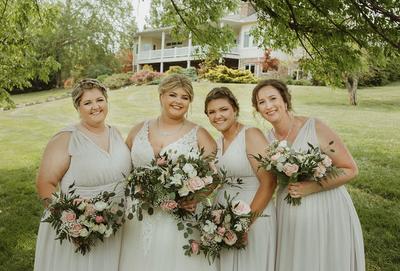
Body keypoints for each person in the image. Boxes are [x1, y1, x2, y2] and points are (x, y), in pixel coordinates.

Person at [252, 79, 365, 271]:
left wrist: (312, 187)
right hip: (289, 213)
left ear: (285, 101)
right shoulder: (268, 140)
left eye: (273, 98)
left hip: (327, 208)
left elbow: (350, 169)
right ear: (257, 108)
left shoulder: (314, 127)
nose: (268, 106)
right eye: (261, 102)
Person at [119, 74, 217, 271]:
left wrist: (196, 197)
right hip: (139, 214)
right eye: (173, 95)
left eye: (185, 97)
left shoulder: (199, 134)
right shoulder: (138, 130)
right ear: (161, 95)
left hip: (179, 217)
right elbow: (121, 170)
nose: (178, 101)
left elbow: (215, 176)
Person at [34, 79, 132, 270]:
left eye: (100, 100)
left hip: (116, 224)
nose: (96, 107)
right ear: (78, 107)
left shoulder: (116, 133)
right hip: (80, 227)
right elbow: (44, 185)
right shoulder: (66, 138)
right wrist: (71, 221)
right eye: (87, 103)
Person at [204, 87, 276, 271]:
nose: (217, 116)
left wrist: (243, 224)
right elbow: (214, 181)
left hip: (253, 212)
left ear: (235, 110)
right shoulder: (217, 143)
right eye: (212, 112)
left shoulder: (251, 135)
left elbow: (269, 183)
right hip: (223, 216)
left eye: (223, 109)